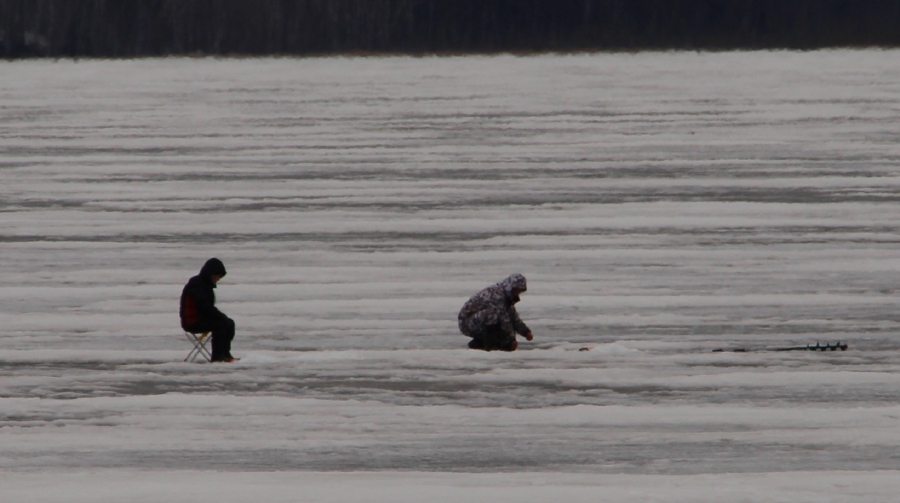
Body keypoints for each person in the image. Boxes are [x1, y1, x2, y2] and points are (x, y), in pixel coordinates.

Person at [180, 258, 238, 363]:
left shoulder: (205, 285)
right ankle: (217, 357)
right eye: (218, 275)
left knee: (229, 323)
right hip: (192, 321)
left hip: (201, 318)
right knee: (219, 325)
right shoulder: (197, 284)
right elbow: (205, 307)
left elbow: (207, 309)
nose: (219, 279)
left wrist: (223, 318)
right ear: (211, 274)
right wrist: (221, 317)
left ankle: (226, 354)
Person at [458, 273, 534, 351]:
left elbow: (513, 317)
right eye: (517, 290)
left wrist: (525, 332)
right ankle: (490, 347)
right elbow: (503, 319)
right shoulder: (496, 294)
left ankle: (479, 344)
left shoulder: (507, 297)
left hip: (479, 321)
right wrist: (511, 340)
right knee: (493, 315)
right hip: (467, 323)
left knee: (497, 321)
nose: (517, 293)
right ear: (511, 287)